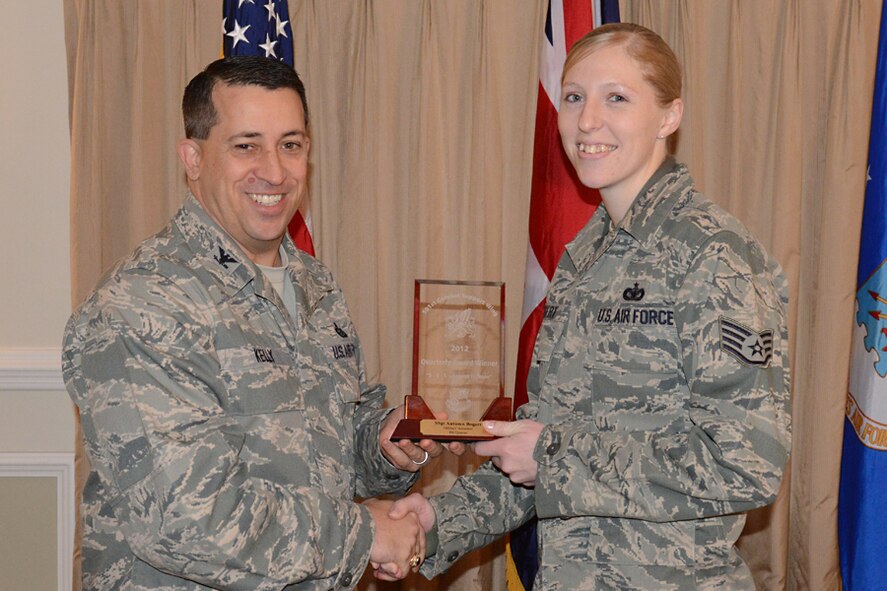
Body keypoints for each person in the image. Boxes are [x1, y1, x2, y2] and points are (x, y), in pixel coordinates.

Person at [390, 23, 791, 590]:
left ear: (670, 116)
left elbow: (746, 460)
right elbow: (540, 445)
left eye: (617, 98)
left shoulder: (714, 254)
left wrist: (552, 456)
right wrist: (435, 521)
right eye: (574, 97)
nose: (587, 121)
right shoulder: (585, 257)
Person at [63, 56, 456, 590]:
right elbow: (185, 519)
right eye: (246, 145)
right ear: (193, 158)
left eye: (290, 145)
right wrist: (364, 534)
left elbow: (325, 452)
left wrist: (384, 446)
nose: (273, 171)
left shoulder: (317, 288)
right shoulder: (142, 304)